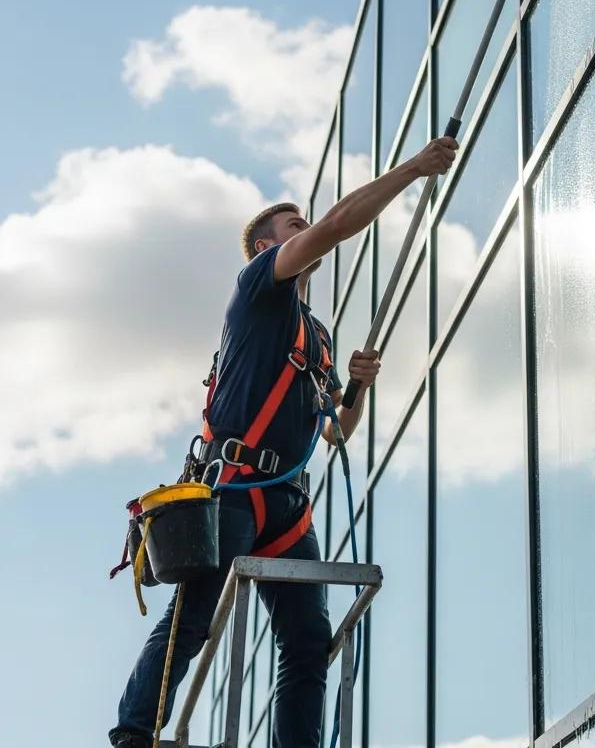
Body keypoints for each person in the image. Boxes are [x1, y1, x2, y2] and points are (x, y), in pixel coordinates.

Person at [110, 136, 458, 748]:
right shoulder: (258, 288)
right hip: (237, 490)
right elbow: (337, 226)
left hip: (289, 504)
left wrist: (355, 388)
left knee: (305, 644)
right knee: (192, 619)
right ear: (268, 246)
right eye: (292, 225)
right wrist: (413, 170)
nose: (307, 228)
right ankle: (134, 733)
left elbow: (336, 432)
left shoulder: (314, 335)